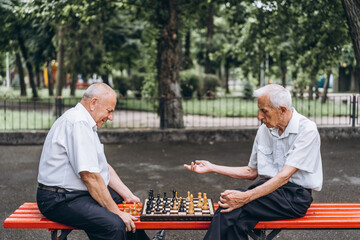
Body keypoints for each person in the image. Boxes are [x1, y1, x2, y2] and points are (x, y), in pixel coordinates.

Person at [184, 84, 323, 240]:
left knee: (229, 208)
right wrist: (212, 167)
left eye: (264, 111)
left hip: (294, 197)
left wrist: (245, 197)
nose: (259, 116)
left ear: (282, 110)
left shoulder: (307, 130)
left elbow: (283, 177)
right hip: (267, 192)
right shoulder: (264, 130)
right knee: (236, 220)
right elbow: (251, 172)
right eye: (259, 110)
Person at [37, 83, 150, 240]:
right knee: (114, 225)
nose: (110, 117)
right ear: (93, 103)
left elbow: (103, 167)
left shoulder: (85, 123)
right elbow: (90, 177)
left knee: (123, 202)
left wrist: (128, 195)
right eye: (109, 111)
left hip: (73, 194)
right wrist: (117, 213)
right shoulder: (78, 123)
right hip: (58, 199)